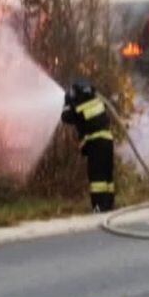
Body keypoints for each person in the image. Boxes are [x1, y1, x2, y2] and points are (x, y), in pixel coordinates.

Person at [61, 78, 115, 212]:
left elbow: (65, 117)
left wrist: (67, 101)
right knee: (106, 175)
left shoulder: (78, 104)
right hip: (107, 141)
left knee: (96, 177)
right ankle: (108, 204)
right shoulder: (96, 101)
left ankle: (99, 206)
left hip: (96, 143)